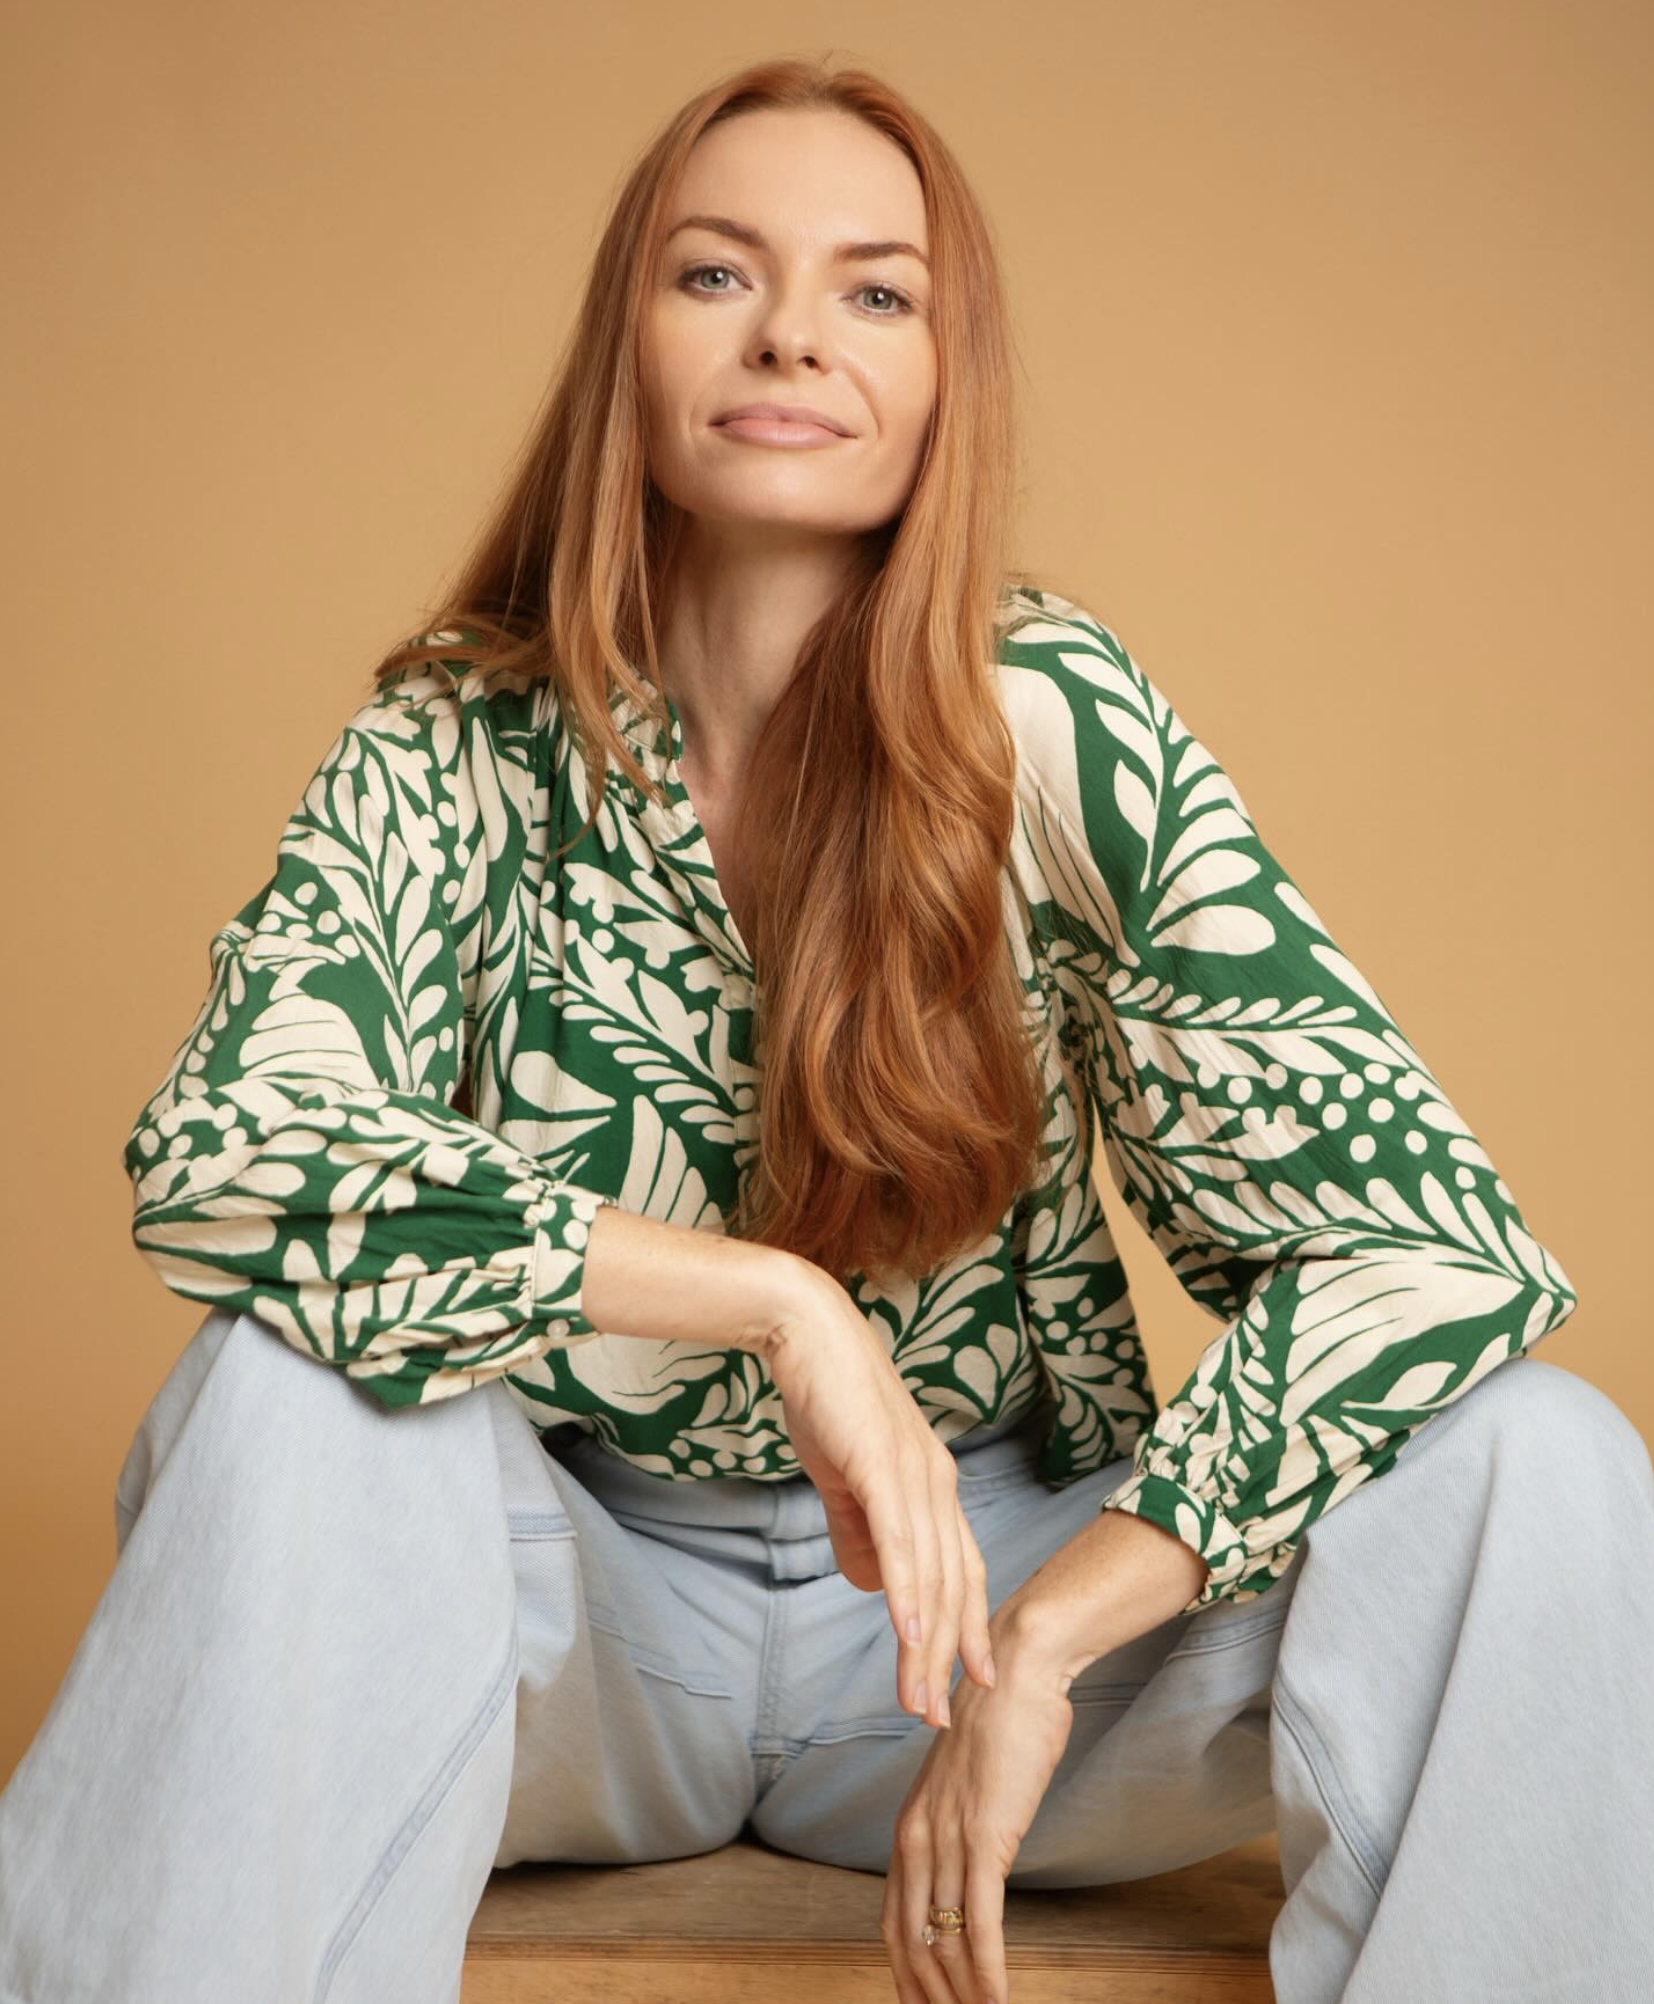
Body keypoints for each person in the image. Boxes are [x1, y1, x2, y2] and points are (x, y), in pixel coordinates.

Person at [3, 52, 1651, 2004]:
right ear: (623, 338)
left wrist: (1046, 1641)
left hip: (981, 1633)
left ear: (946, 378)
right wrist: (780, 1309)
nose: (792, 331)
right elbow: (220, 1160)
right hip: (572, 1618)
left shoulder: (1044, 723)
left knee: (1532, 1461)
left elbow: (1428, 1242)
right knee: (284, 1408)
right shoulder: (452, 746)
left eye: (875, 291)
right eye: (716, 274)